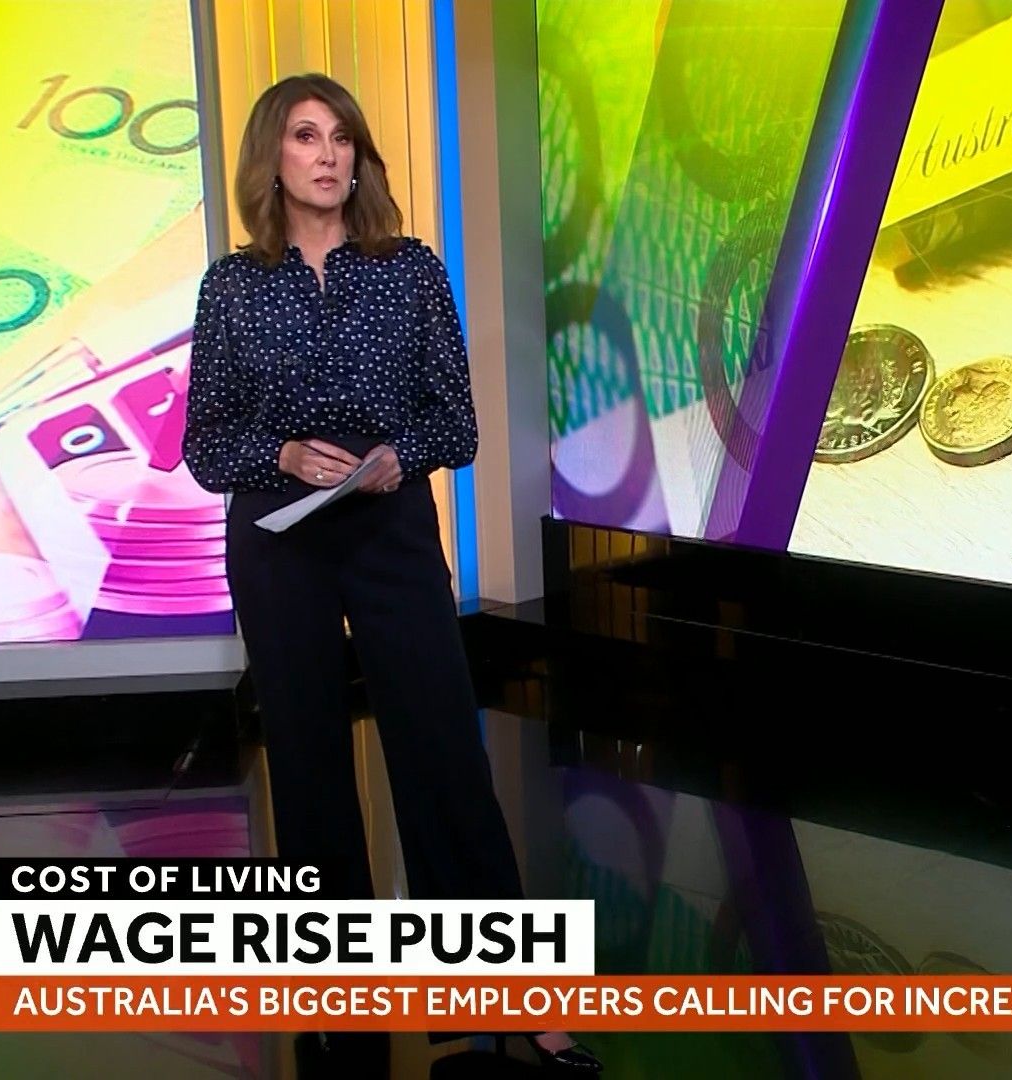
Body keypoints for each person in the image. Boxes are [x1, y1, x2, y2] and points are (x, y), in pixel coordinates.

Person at [182, 74, 602, 1078]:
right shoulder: (232, 286)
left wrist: (393, 459)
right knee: (308, 763)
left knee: (443, 754)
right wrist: (283, 456)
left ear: (360, 158)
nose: (328, 154)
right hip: (278, 536)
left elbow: (456, 422)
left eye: (343, 138)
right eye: (306, 136)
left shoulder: (409, 270)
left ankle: (509, 993)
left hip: (389, 526)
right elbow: (205, 443)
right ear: (272, 158)